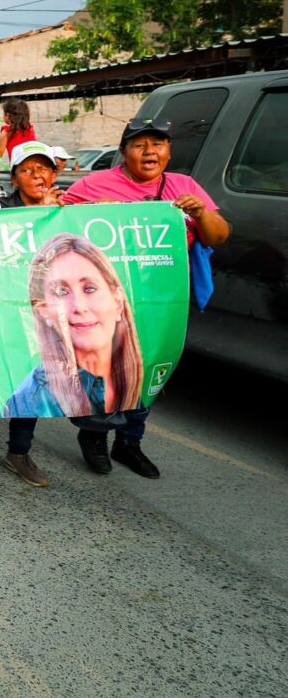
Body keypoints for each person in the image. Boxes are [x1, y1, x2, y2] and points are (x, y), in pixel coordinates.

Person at [61, 116, 230, 478]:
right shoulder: (94, 184)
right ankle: (95, 436)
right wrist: (89, 210)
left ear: (168, 152)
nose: (149, 151)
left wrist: (199, 213)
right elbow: (57, 219)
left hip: (163, 302)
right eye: (139, 145)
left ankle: (129, 443)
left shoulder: (185, 187)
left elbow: (218, 236)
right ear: (124, 153)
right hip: (108, 305)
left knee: (152, 369)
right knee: (106, 372)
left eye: (158, 144)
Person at [0, 142, 63, 487]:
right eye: (27, 169)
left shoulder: (65, 211)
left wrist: (55, 217)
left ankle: (19, 452)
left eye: (44, 169)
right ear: (15, 177)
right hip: (4, 306)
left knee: (37, 376)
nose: (37, 175)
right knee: (4, 372)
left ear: (54, 174)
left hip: (44, 311)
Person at [2, 234, 144, 422]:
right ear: (43, 309)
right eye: (61, 292)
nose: (79, 307)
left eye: (90, 289)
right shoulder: (30, 399)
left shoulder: (140, 385)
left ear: (117, 301)